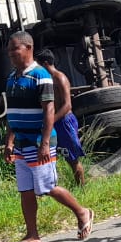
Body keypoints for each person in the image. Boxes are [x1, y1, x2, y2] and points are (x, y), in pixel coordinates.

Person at [4, 32, 93, 242]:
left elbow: (49, 110)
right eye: (9, 50)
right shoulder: (12, 78)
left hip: (38, 142)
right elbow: (13, 113)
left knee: (46, 187)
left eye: (14, 49)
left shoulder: (40, 75)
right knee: (25, 190)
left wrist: (44, 143)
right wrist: (9, 142)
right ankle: (32, 234)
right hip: (21, 143)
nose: (10, 54)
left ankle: (83, 212)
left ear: (28, 48)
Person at [34, 49, 87, 185]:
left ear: (45, 63)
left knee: (72, 159)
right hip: (54, 122)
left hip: (64, 121)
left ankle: (82, 188)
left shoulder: (59, 78)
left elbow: (67, 105)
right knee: (48, 156)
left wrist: (51, 121)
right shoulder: (45, 80)